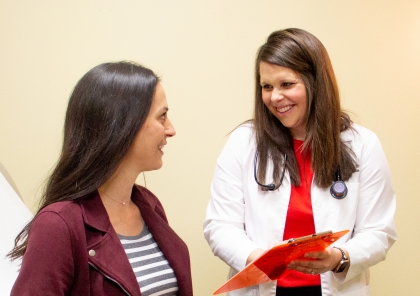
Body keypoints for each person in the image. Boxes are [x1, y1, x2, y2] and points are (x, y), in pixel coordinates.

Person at [203, 28, 396, 296]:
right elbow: (220, 225)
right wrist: (257, 259)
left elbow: (379, 231)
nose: (274, 97)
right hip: (264, 287)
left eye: (287, 84)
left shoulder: (363, 144)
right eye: (266, 86)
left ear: (315, 82)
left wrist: (338, 257)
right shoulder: (243, 143)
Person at [8, 61, 193, 296]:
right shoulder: (58, 225)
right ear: (124, 125)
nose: (171, 129)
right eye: (162, 117)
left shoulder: (150, 205)